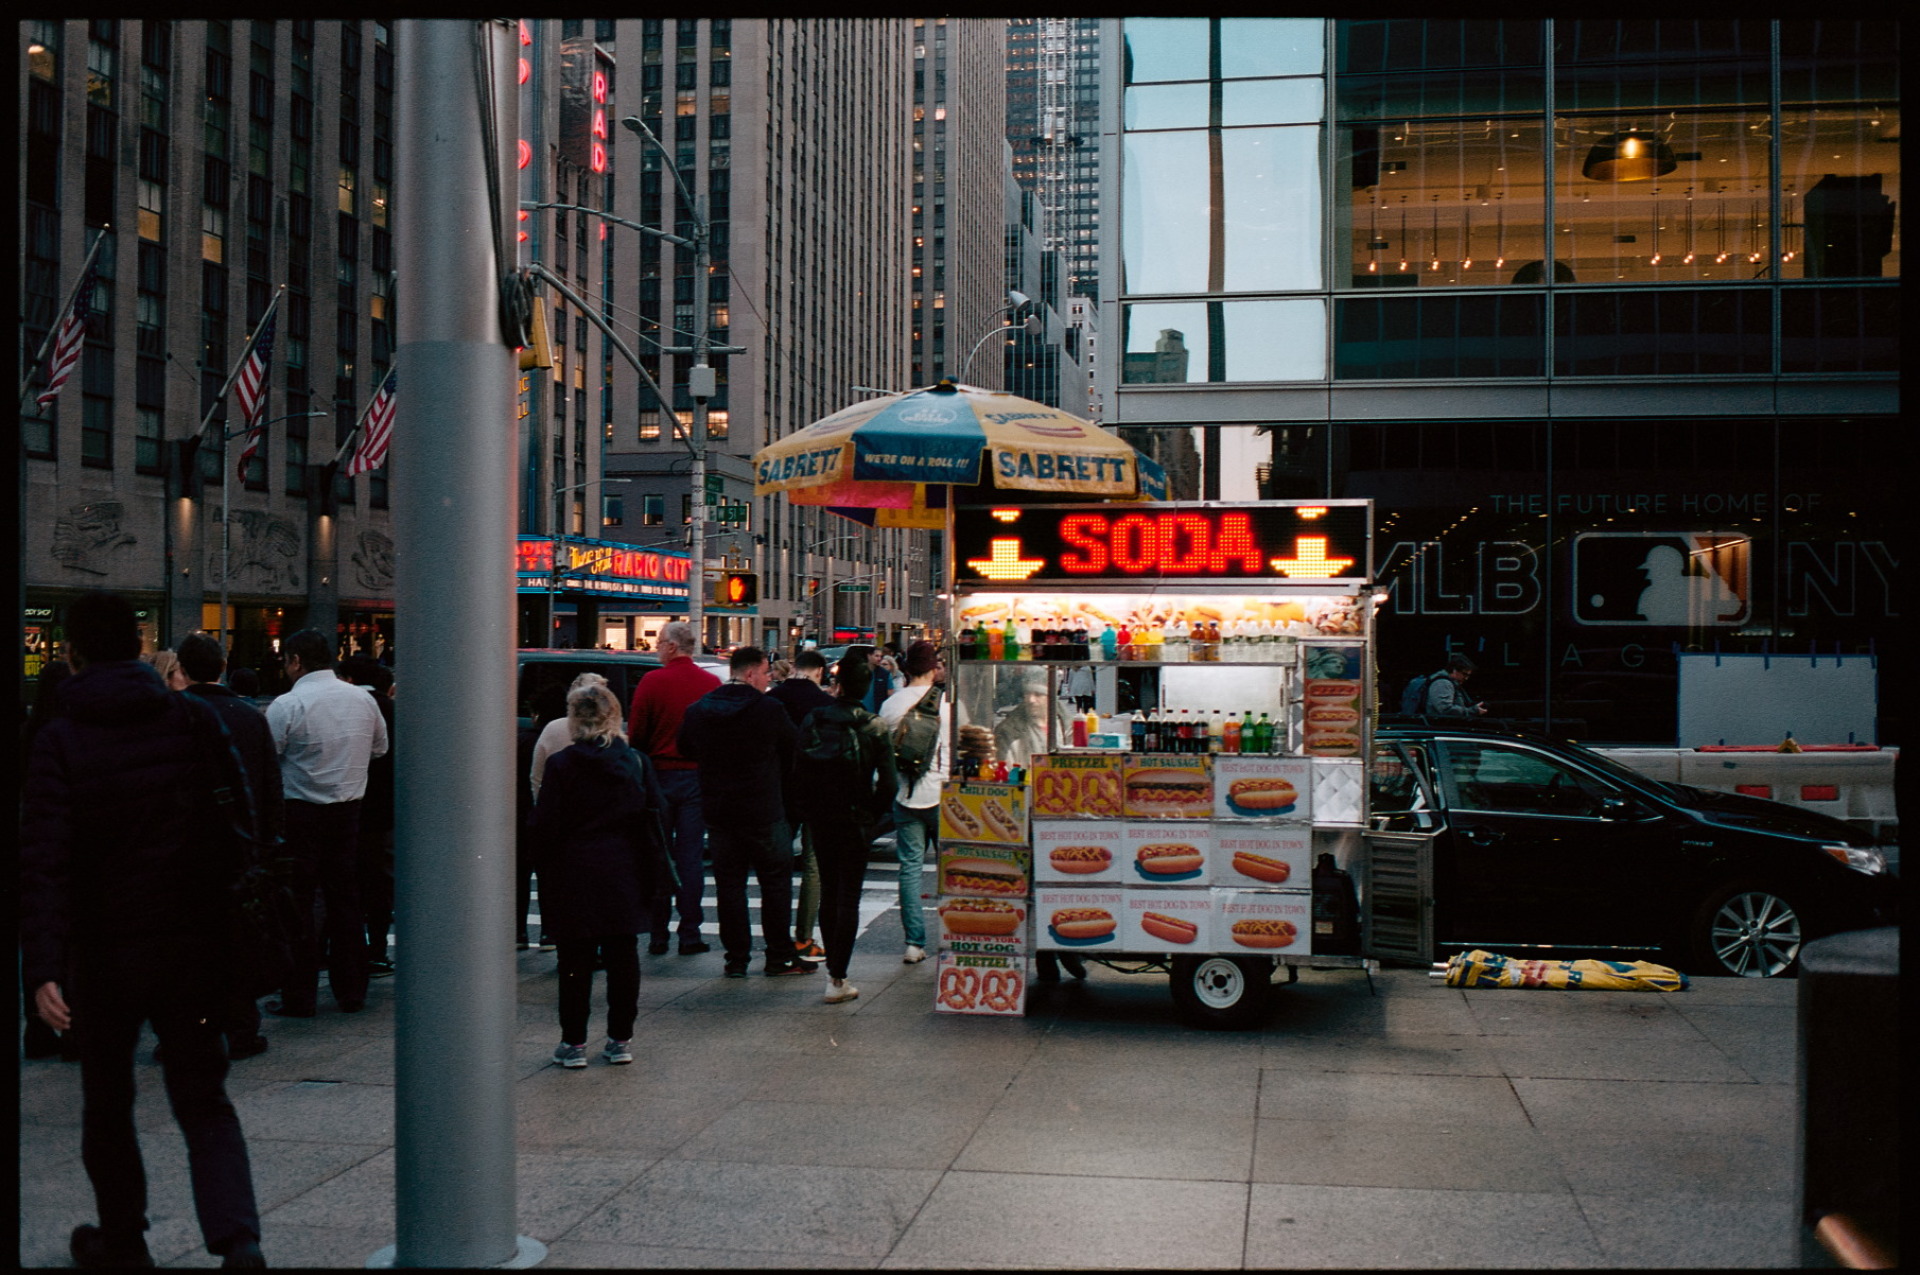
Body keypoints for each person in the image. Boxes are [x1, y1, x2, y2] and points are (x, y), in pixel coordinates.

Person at [21, 591, 267, 1268]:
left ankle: (123, 1238)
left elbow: (43, 860)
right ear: (138, 647)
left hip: (104, 950)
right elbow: (239, 821)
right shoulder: (190, 718)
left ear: (72, 653)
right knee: (204, 1095)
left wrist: (43, 967)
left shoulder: (60, 737)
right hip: (192, 941)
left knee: (107, 1099)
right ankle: (238, 1238)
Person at [528, 682, 671, 1068]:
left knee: (575, 960)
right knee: (624, 955)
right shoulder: (636, 762)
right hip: (625, 869)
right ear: (614, 717)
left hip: (574, 871)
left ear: (574, 720)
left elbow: (545, 824)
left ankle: (573, 1043)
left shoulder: (562, 764)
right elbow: (657, 813)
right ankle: (620, 1039)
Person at [264, 628, 389, 1017]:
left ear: (296, 661)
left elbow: (270, 758)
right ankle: (351, 989)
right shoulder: (363, 700)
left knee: (299, 903)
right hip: (348, 810)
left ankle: (299, 994)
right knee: (345, 900)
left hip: (300, 810)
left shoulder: (288, 704)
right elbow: (380, 748)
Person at [177, 633, 286, 1060]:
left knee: (189, 947)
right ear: (222, 667)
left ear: (182, 670)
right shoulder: (249, 716)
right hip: (240, 847)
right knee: (238, 941)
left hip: (185, 849)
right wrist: (268, 841)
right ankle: (241, 1028)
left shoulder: (172, 715)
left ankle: (190, 1030)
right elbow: (270, 783)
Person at [677, 646, 814, 977]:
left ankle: (736, 958)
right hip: (763, 808)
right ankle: (778, 955)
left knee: (730, 886)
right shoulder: (769, 710)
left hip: (720, 810)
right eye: (766, 673)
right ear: (751, 674)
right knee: (775, 884)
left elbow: (684, 747)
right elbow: (795, 747)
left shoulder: (700, 709)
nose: (769, 680)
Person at [788, 659, 897, 1004]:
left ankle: (833, 972)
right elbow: (889, 784)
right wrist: (872, 816)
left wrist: (806, 810)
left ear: (838, 684)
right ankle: (837, 976)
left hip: (821, 817)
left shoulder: (815, 719)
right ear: (865, 689)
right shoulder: (874, 726)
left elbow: (797, 770)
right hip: (856, 819)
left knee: (829, 891)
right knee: (849, 896)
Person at [627, 621, 722, 956]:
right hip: (697, 777)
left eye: (658, 643)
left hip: (659, 777)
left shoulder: (652, 682)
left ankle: (658, 933)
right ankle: (690, 932)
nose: (656, 648)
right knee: (690, 857)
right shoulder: (710, 684)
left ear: (671, 646)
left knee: (659, 854)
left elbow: (637, 734)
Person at [20, 659, 79, 1063]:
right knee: (71, 939)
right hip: (67, 846)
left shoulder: (30, 733)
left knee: (37, 935)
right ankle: (72, 1027)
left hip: (30, 844)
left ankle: (37, 1024)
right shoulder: (71, 736)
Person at [878, 640, 950, 964]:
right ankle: (954, 936)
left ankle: (914, 944)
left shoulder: (890, 706)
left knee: (909, 869)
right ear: (934, 669)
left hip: (905, 795)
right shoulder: (947, 706)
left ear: (906, 669)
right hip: (943, 794)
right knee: (951, 869)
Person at [768, 649, 836, 961]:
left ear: (795, 668)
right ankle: (804, 937)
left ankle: (777, 939)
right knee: (813, 865)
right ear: (820, 672)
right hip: (816, 793)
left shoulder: (773, 700)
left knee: (777, 866)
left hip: (779, 791)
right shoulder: (826, 705)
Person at [337, 656, 397, 977]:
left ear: (348, 678)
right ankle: (377, 949)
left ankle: (340, 949)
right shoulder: (391, 709)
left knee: (344, 881)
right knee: (380, 883)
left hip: (344, 804)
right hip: (383, 809)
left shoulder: (343, 706)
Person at [992, 669, 1062, 768]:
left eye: (1038, 694)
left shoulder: (1063, 725)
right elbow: (1006, 768)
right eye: (1027, 694)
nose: (1030, 700)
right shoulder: (1008, 730)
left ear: (1050, 697)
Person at [1422, 654, 1486, 719]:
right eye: (1464, 674)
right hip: (1440, 723)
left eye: (1468, 676)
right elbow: (1446, 709)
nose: (1466, 678)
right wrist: (1472, 711)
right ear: (1454, 670)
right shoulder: (1442, 683)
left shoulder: (1450, 683)